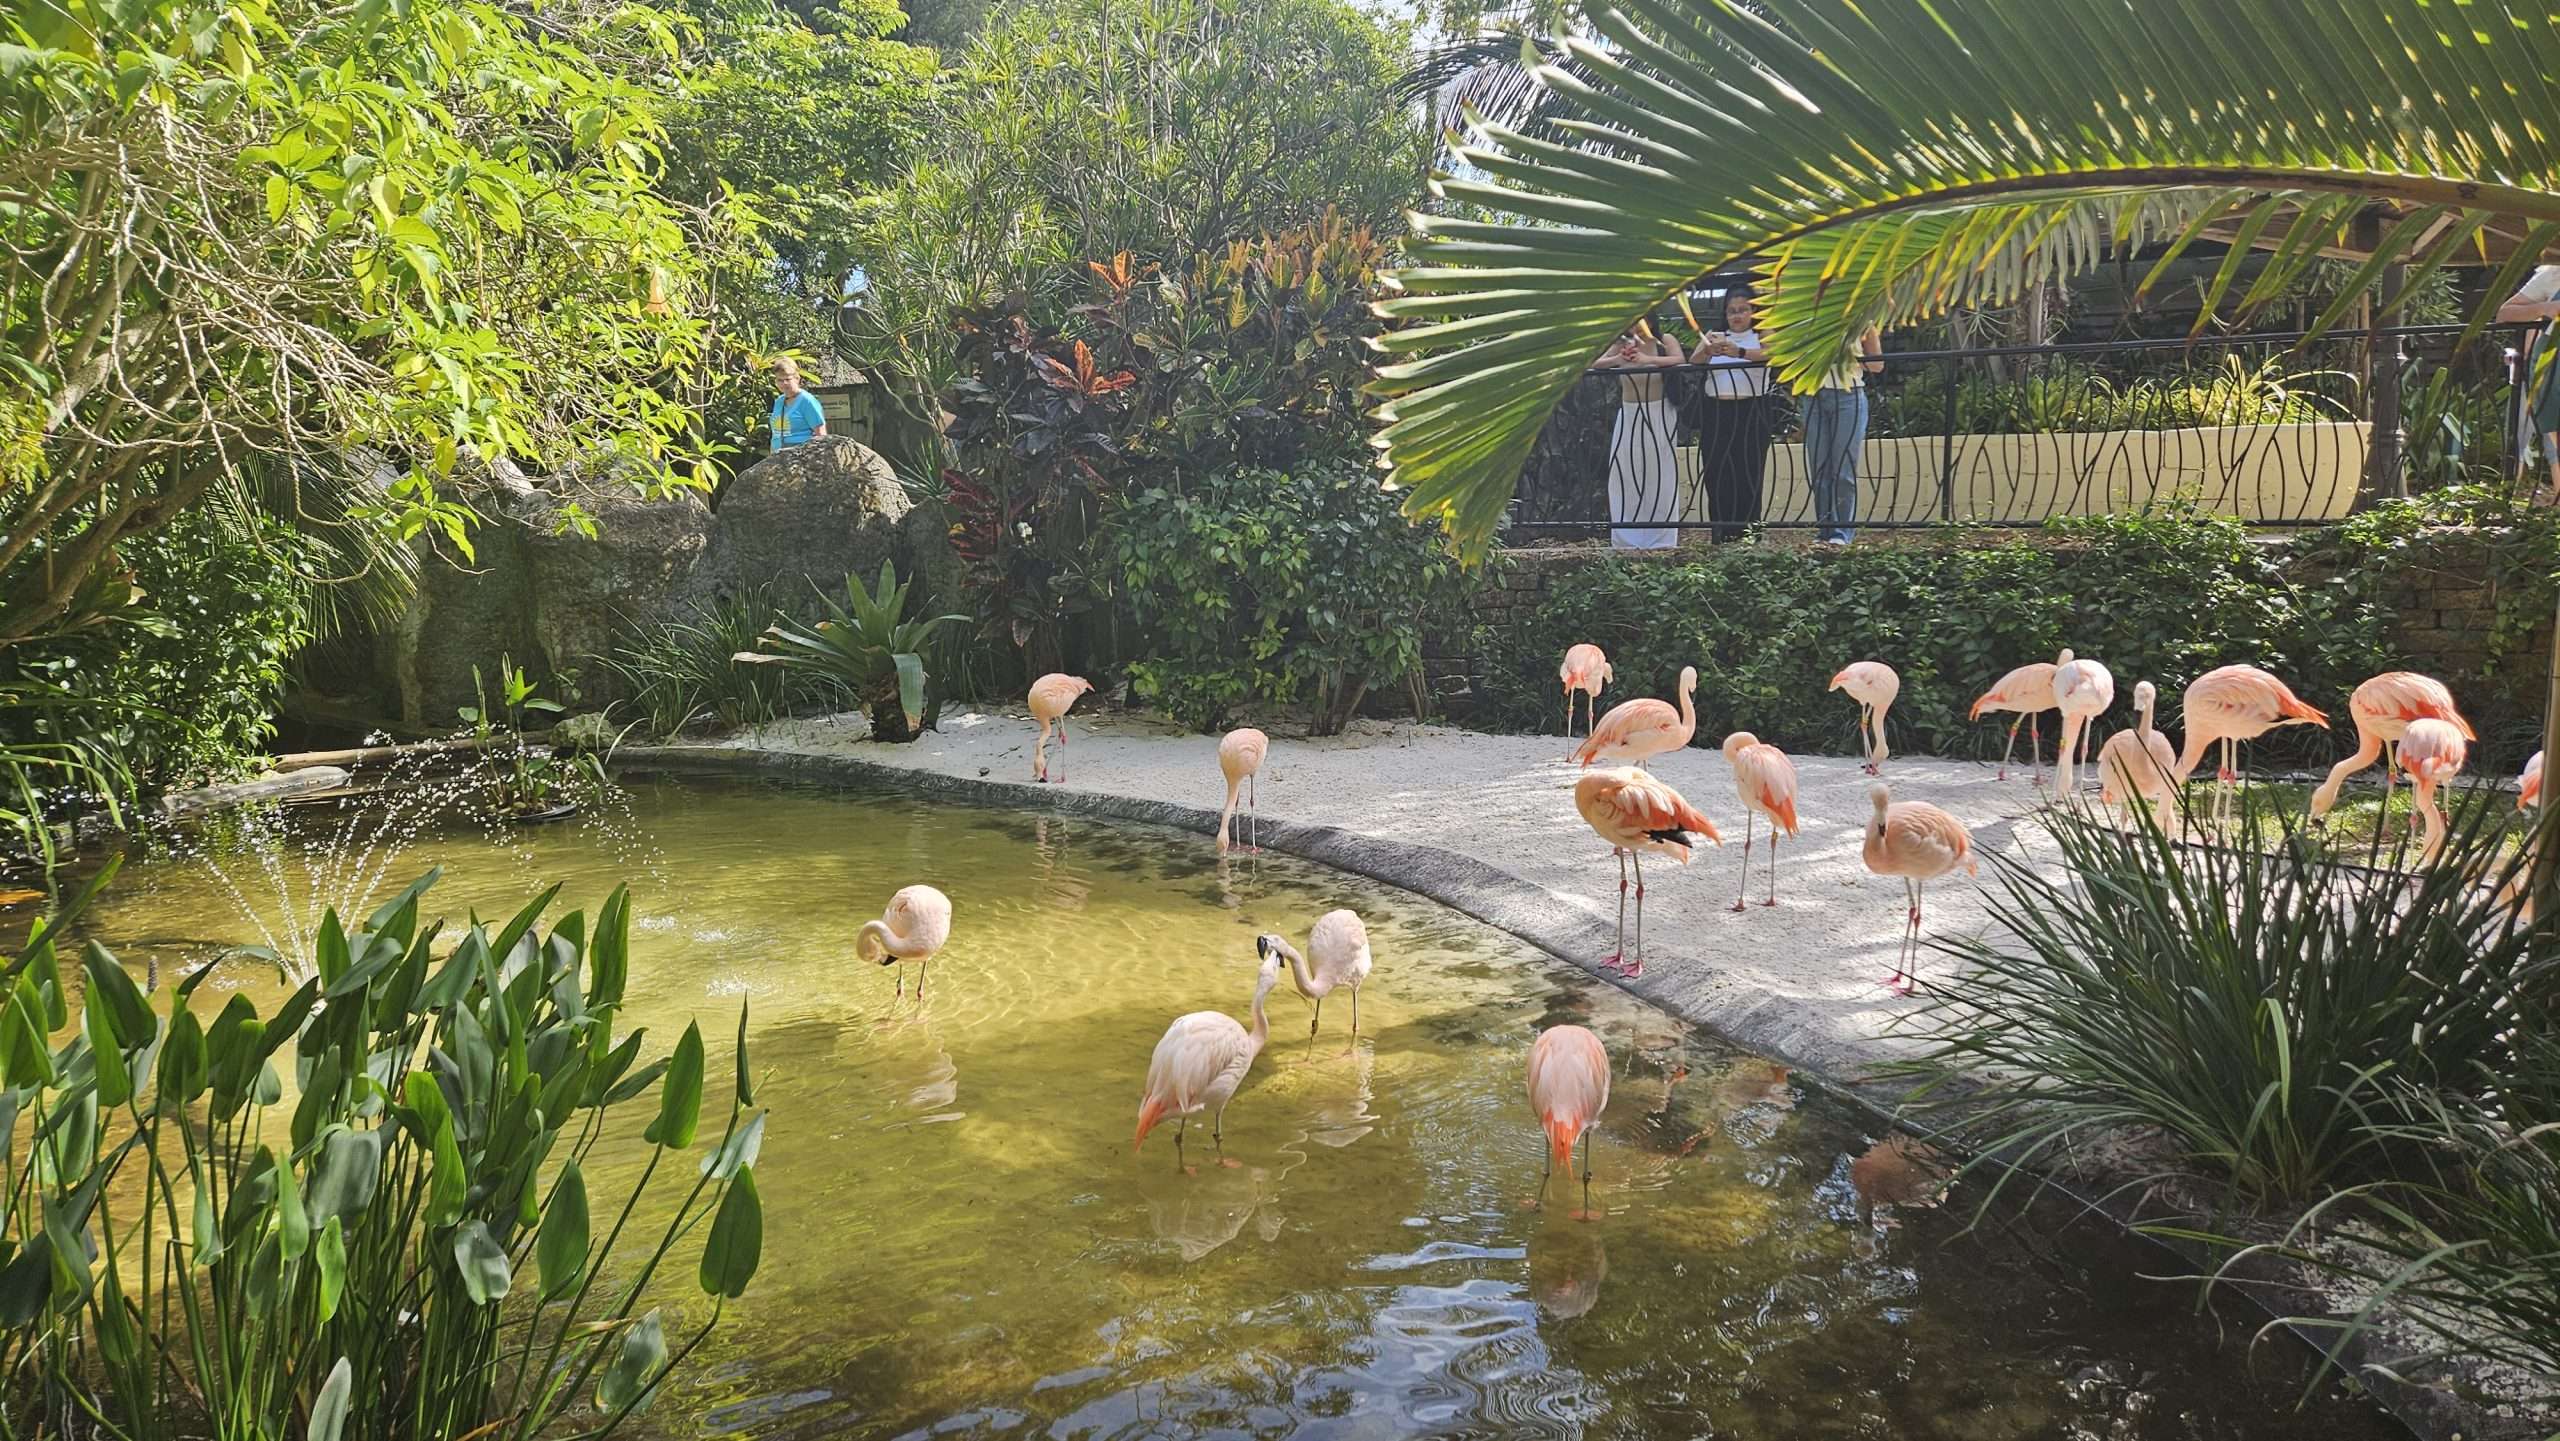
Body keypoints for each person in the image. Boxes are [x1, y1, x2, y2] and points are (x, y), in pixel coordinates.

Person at [1686, 289, 1776, 542]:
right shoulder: (1715, 335)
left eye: (1743, 310)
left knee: (1749, 471)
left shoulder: (1762, 333)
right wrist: (1709, 351)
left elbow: (1772, 354)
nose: (1737, 316)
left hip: (1751, 410)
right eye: (1732, 311)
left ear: (1753, 312)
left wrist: (1739, 353)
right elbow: (1694, 360)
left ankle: (1749, 534)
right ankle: (1721, 532)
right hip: (1716, 411)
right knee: (1717, 471)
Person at [1593, 323, 1685, 549]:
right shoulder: (1621, 342)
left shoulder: (1664, 339)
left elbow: (1678, 359)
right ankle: (1627, 538)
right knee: (1625, 472)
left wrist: (1646, 359)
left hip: (1658, 411)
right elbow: (1595, 363)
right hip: (1630, 411)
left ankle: (1661, 538)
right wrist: (1617, 360)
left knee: (1660, 473)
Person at [1800, 324, 1884, 545]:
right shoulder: (1808, 316)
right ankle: (1825, 530)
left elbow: (1877, 364)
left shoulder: (1862, 320)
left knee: (1843, 470)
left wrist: (1848, 355)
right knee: (1820, 469)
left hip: (1849, 395)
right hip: (1813, 395)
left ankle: (1842, 533)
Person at [2496, 263, 2560, 499]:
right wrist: (2548, 308)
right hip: (2550, 368)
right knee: (2552, 441)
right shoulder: (2553, 274)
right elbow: (2505, 313)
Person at [768, 358, 829, 452]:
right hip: (778, 457)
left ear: (797, 378)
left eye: (788, 379)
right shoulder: (779, 402)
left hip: (801, 457)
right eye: (780, 380)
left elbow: (821, 434)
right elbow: (775, 434)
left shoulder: (807, 401)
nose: (784, 383)